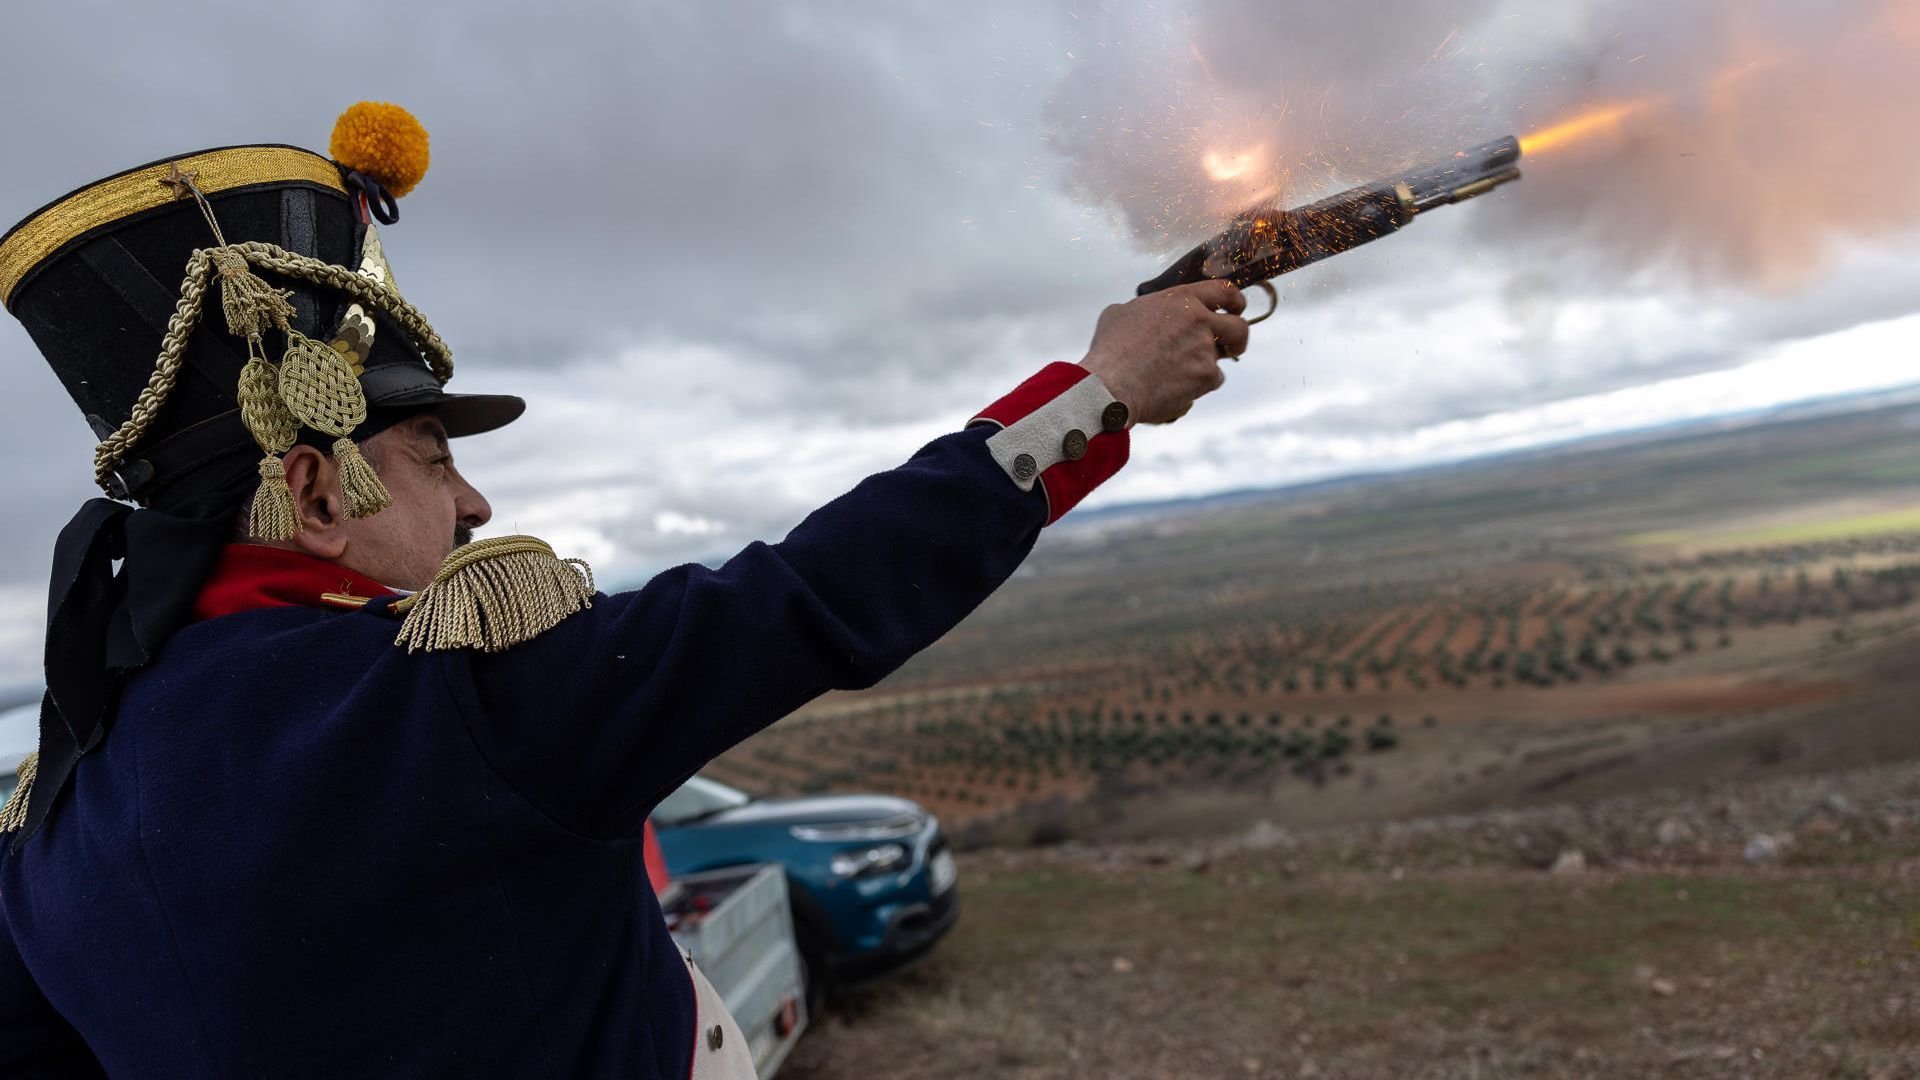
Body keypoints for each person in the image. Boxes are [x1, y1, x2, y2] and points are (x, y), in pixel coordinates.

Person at [0, 103, 1247, 1078]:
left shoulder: (53, 810)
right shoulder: (450, 706)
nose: (477, 506)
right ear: (318, 496)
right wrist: (1103, 389)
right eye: (435, 459)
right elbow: (809, 597)